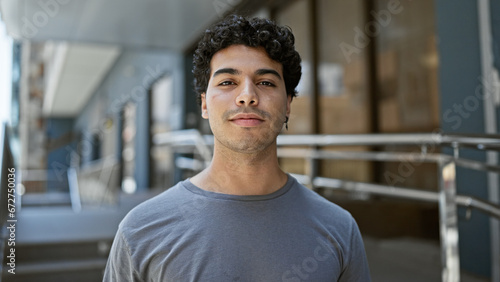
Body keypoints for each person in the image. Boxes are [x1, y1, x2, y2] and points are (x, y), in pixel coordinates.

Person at [104, 15, 371, 281]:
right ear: (205, 104)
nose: (247, 95)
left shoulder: (339, 228)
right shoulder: (140, 230)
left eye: (266, 82)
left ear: (288, 103)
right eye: (227, 82)